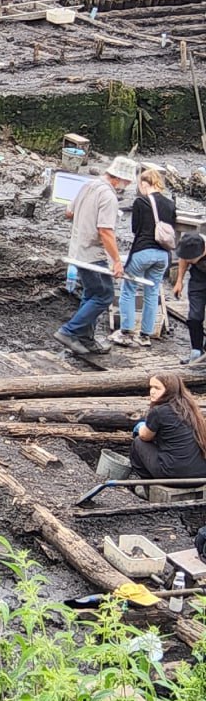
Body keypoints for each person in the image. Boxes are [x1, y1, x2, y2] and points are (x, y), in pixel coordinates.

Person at [54, 156, 138, 356]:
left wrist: (85, 218)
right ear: (119, 178)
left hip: (78, 250)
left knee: (91, 294)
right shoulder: (108, 197)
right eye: (125, 183)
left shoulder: (88, 185)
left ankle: (86, 339)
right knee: (104, 295)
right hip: (94, 255)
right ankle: (69, 331)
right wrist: (117, 261)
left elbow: (69, 212)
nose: (124, 187)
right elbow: (106, 231)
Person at [112, 168, 176, 348]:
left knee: (128, 289)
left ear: (144, 183)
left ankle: (126, 332)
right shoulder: (170, 204)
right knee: (152, 293)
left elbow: (135, 229)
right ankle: (145, 336)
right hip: (162, 255)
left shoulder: (140, 202)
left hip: (143, 251)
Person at [130, 373, 206, 480]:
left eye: (157, 388)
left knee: (138, 442)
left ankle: (148, 484)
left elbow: (144, 436)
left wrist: (140, 426)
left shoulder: (159, 411)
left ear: (170, 390)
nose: (152, 391)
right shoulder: (190, 409)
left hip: (173, 475)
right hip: (201, 475)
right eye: (151, 387)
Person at [172, 233, 206, 365]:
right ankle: (196, 351)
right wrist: (179, 280)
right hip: (198, 280)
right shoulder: (190, 244)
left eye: (192, 259)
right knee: (194, 316)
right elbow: (183, 259)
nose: (189, 261)